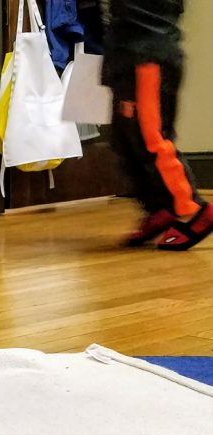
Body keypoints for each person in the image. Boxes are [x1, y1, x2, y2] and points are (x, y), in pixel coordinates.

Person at [102, 0, 212, 250]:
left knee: (150, 138)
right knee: (125, 140)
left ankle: (193, 210)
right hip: (129, 52)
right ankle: (160, 207)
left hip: (147, 53)